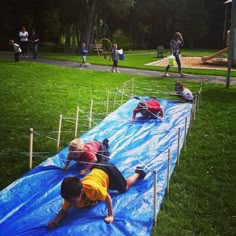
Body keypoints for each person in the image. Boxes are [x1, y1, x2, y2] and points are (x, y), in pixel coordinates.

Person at [48, 164, 146, 229]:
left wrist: (110, 215)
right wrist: (56, 221)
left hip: (108, 171)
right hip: (95, 169)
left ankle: (139, 173)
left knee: (124, 188)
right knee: (94, 199)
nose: (70, 203)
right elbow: (63, 210)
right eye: (68, 200)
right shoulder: (70, 195)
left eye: (72, 201)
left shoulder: (92, 189)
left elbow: (107, 197)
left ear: (82, 192)